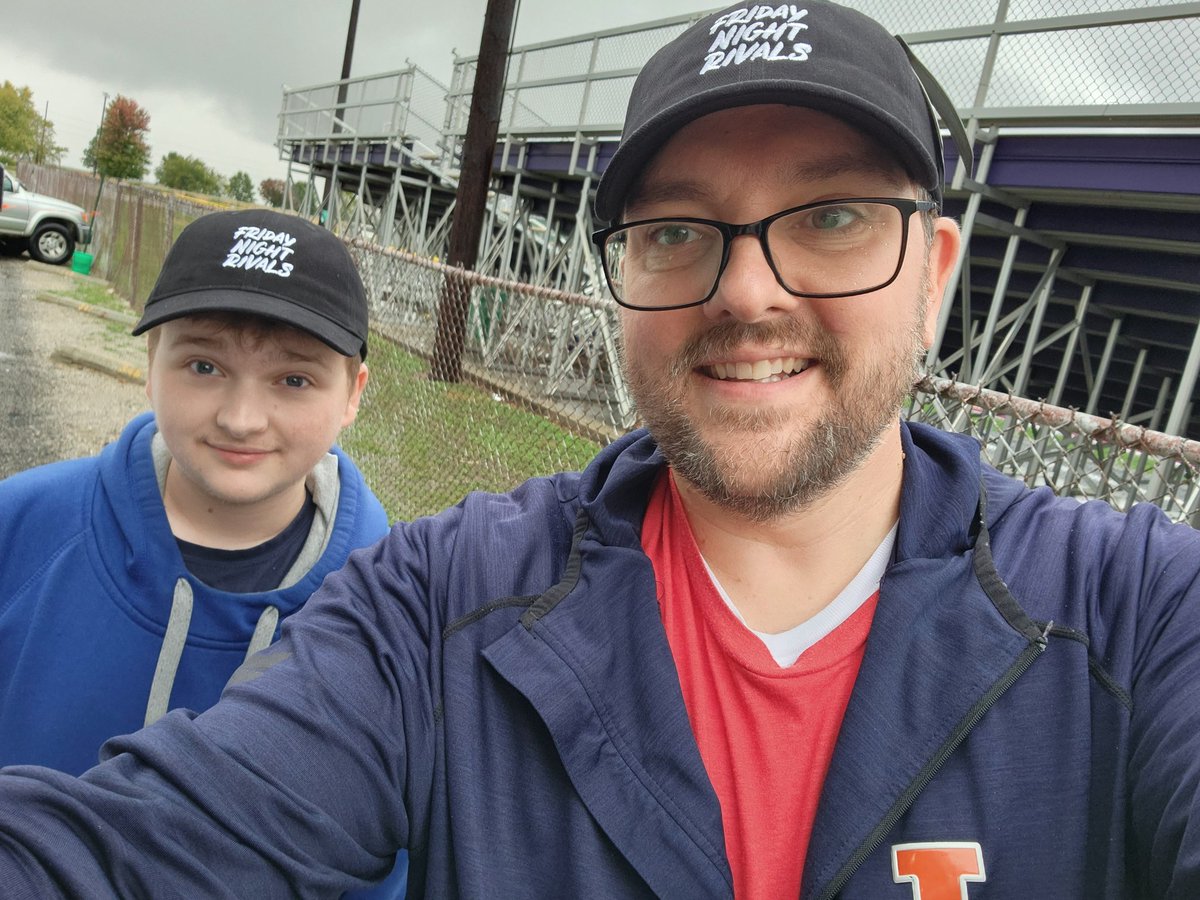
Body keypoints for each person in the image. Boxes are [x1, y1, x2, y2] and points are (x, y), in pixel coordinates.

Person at [1, 2, 1199, 897]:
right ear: (620, 277)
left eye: (831, 218)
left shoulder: (1142, 616)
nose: (747, 292)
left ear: (935, 271)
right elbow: (139, 848)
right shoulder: (442, 604)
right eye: (678, 230)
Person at [0, 208, 407, 898]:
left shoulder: (390, 607)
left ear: (353, 395)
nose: (241, 417)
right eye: (204, 364)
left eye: (294, 380)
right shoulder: (23, 525)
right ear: (150, 365)